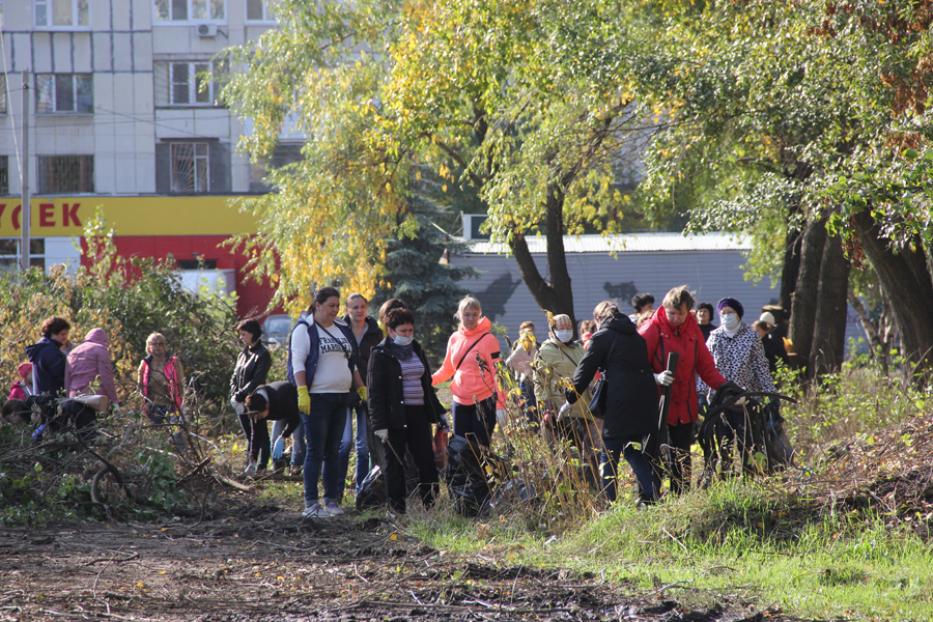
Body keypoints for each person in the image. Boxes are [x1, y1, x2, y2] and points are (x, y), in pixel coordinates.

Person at [564, 302, 661, 504]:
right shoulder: (636, 338)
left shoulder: (602, 337)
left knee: (608, 452)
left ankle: (611, 503)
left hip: (618, 402)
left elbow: (586, 368)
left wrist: (570, 395)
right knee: (632, 449)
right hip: (642, 400)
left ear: (599, 318)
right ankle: (652, 493)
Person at [639, 285, 727, 494]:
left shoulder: (692, 330)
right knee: (653, 453)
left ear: (688, 311)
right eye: (672, 313)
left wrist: (725, 387)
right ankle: (649, 498)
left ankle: (682, 496)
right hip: (656, 403)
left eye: (680, 313)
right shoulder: (651, 330)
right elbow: (635, 367)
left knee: (681, 453)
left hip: (684, 404)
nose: (675, 318)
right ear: (665, 308)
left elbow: (705, 366)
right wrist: (655, 377)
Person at [287, 287, 365, 518]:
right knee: (316, 450)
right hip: (317, 399)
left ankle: (331, 500)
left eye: (337, 305)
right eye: (331, 305)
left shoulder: (341, 328)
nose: (335, 310)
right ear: (318, 304)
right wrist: (302, 391)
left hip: (341, 397)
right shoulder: (305, 330)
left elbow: (352, 362)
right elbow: (298, 363)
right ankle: (311, 503)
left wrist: (360, 386)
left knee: (334, 450)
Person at [367, 308, 444, 514]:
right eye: (403, 331)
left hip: (419, 414)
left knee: (426, 461)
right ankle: (397, 510)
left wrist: (438, 411)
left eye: (410, 330)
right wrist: (379, 425)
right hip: (394, 418)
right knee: (395, 465)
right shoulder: (380, 354)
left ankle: (430, 505)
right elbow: (374, 393)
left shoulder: (416, 348)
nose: (408, 334)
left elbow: (426, 384)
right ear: (391, 331)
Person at [701, 298, 776, 475]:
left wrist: (770, 394)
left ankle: (749, 476)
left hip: (746, 398)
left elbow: (760, 366)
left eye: (730, 312)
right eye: (723, 313)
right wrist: (701, 393)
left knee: (747, 442)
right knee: (723, 443)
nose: (726, 316)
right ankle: (726, 477)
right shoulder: (714, 337)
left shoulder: (751, 337)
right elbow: (705, 367)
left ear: (738, 314)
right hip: (720, 399)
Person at [533, 313, 601, 486]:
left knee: (591, 454)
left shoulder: (578, 349)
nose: (565, 331)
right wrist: (546, 409)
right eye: (560, 328)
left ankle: (595, 492)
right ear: (552, 330)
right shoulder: (545, 351)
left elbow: (586, 375)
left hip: (584, 410)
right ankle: (569, 492)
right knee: (565, 457)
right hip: (560, 412)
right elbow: (540, 383)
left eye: (568, 327)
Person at [432, 296, 503, 447]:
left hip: (483, 402)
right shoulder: (455, 338)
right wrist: (427, 380)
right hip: (459, 402)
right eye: (466, 314)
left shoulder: (488, 339)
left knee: (480, 450)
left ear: (480, 315)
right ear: (459, 315)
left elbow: (499, 374)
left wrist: (501, 406)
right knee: (460, 450)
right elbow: (447, 369)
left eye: (474, 314)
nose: (470, 318)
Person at [336, 293, 383, 501]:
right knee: (344, 443)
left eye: (362, 306)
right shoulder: (338, 330)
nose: (359, 310)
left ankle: (361, 492)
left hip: (368, 391)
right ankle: (336, 492)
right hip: (344, 390)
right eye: (354, 307)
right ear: (347, 309)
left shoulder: (375, 333)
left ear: (367, 308)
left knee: (364, 447)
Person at [230, 319, 272, 475]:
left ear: (253, 334)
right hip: (240, 400)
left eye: (244, 334)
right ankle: (250, 463)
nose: (241, 337)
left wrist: (241, 395)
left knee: (260, 432)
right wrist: (234, 392)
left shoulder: (263, 354)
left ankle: (262, 465)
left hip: (255, 399)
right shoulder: (243, 353)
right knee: (249, 433)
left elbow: (257, 379)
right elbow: (235, 375)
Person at [245, 380, 301, 468]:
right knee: (274, 441)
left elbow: (295, 419)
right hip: (280, 412)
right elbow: (256, 436)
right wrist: (252, 460)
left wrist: (283, 436)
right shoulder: (254, 404)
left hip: (296, 406)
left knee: (298, 439)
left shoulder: (281, 397)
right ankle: (278, 469)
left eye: (260, 416)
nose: (257, 419)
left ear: (267, 406)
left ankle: (297, 466)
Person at [138, 332, 186, 424]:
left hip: (173, 406)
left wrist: (182, 406)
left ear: (165, 346)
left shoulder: (174, 362)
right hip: (152, 407)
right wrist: (144, 405)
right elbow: (140, 387)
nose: (157, 347)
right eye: (154, 344)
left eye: (160, 344)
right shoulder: (144, 364)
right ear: (148, 347)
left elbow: (181, 384)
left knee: (174, 434)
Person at [65, 328, 119, 406]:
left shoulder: (73, 352)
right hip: (94, 399)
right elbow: (106, 377)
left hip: (74, 398)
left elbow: (67, 380)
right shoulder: (101, 350)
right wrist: (114, 401)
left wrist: (67, 399)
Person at [26, 316, 71, 396]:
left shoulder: (42, 348)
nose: (65, 337)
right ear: (52, 334)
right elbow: (63, 374)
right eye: (63, 334)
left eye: (67, 334)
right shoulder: (49, 351)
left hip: (42, 399)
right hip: (52, 401)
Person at [506, 321, 538, 422]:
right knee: (527, 405)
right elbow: (510, 362)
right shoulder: (518, 345)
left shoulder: (537, 345)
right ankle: (531, 427)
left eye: (532, 331)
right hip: (523, 379)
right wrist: (523, 369)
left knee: (536, 405)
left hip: (536, 380)